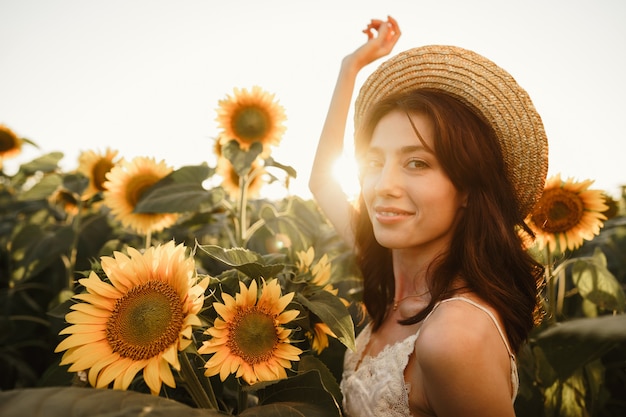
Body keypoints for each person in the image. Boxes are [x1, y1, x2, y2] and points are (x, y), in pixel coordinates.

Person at [309, 16, 548, 417]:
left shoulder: (452, 337)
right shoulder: (390, 270)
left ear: (468, 189)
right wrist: (350, 67)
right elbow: (321, 180)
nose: (383, 185)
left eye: (417, 163)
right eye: (374, 161)